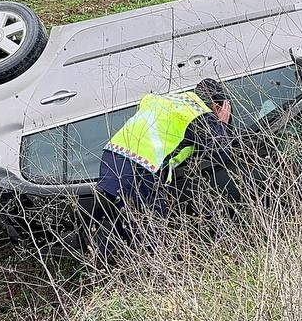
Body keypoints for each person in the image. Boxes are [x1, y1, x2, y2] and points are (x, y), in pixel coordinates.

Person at [94, 78, 236, 226]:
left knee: (126, 227)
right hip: (139, 171)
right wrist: (222, 124)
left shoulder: (172, 99)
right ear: (217, 106)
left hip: (111, 159)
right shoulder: (199, 114)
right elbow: (222, 154)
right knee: (155, 230)